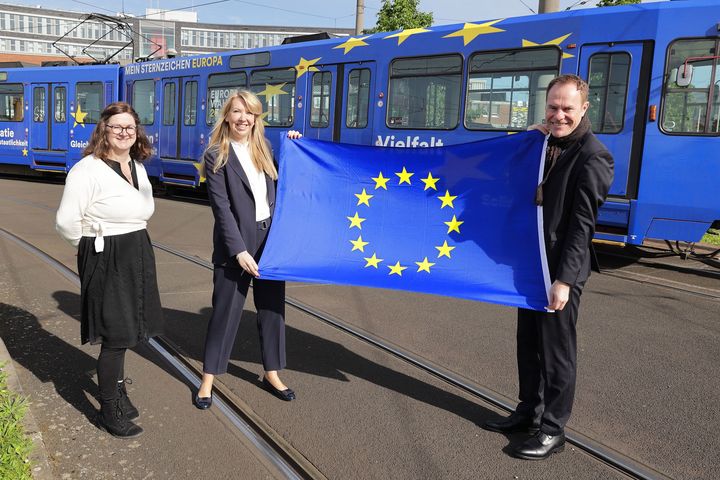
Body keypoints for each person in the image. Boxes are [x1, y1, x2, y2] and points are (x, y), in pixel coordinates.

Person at [484, 75, 614, 460]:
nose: (559, 115)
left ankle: (553, 429)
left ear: (584, 108)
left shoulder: (594, 156)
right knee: (528, 345)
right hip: (528, 264)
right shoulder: (541, 144)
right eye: (553, 107)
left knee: (557, 352)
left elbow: (581, 227)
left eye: (567, 109)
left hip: (559, 271)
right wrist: (528, 140)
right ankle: (529, 411)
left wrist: (564, 281)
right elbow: (510, 182)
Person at [56, 102, 163, 439]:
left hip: (136, 251)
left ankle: (117, 392)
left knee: (130, 329)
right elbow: (65, 222)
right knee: (116, 336)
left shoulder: (137, 166)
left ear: (136, 133)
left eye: (129, 127)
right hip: (107, 254)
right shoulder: (86, 170)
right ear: (103, 130)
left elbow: (141, 210)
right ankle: (108, 410)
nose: (123, 132)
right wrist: (92, 250)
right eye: (116, 126)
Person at [194, 90, 301, 409]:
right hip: (235, 244)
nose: (244, 118)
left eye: (250, 113)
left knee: (272, 310)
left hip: (269, 240)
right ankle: (208, 378)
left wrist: (294, 145)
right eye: (238, 112)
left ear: (256, 119)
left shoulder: (265, 148)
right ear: (226, 115)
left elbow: (286, 186)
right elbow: (221, 208)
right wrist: (238, 250)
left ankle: (272, 373)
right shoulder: (216, 154)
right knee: (225, 312)